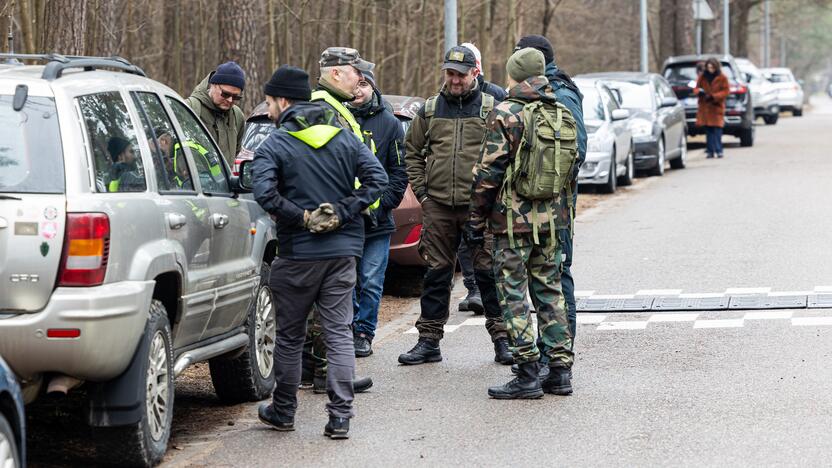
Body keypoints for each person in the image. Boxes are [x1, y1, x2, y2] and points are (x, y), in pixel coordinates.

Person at [252, 65, 388, 439]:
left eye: (268, 102)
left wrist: (303, 218)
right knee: (340, 333)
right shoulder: (346, 140)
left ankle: (284, 412)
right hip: (344, 253)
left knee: (291, 337)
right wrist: (342, 212)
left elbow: (263, 192)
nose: (269, 109)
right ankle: (340, 417)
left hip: (296, 255)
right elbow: (378, 180)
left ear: (283, 101)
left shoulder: (276, 144)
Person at [466, 47, 575, 399]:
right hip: (552, 222)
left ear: (515, 74)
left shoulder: (506, 114)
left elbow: (488, 173)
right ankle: (559, 371)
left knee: (512, 295)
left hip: (512, 223)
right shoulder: (560, 113)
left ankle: (527, 372)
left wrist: (475, 218)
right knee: (550, 293)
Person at [400, 45, 511, 366]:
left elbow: (507, 155)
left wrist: (493, 198)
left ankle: (502, 340)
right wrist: (423, 194)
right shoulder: (431, 109)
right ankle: (429, 341)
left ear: (475, 73)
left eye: (460, 74)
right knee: (436, 274)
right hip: (438, 207)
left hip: (482, 208)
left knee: (488, 273)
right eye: (450, 73)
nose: (455, 80)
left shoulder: (493, 107)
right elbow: (413, 153)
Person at [513, 35, 586, 377]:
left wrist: (545, 187)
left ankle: (558, 361)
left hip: (555, 206)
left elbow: (577, 151)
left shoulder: (561, 94)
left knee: (555, 277)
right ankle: (550, 358)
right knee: (545, 277)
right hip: (534, 208)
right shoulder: (540, 92)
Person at [348, 70, 408, 357]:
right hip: (346, 220)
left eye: (364, 84)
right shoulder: (337, 120)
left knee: (371, 280)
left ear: (372, 87)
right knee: (346, 281)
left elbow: (399, 172)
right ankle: (344, 330)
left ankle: (364, 332)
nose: (358, 91)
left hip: (378, 222)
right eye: (355, 84)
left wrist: (382, 204)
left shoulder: (390, 124)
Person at [455, 42, 508, 314]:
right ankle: (473, 288)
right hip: (461, 190)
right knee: (466, 242)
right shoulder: (450, 98)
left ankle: (491, 290)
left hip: (489, 187)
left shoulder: (496, 96)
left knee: (487, 242)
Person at [186, 61, 246, 166]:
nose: (230, 100)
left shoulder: (237, 116)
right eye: (225, 94)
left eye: (236, 97)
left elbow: (236, 151)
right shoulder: (191, 107)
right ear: (213, 85)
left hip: (224, 181)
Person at [694, 58, 729, 159]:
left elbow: (726, 91)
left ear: (716, 67)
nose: (710, 69)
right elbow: (695, 87)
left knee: (717, 130)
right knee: (708, 130)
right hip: (705, 107)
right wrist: (699, 92)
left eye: (712, 67)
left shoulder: (722, 78)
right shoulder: (702, 77)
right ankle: (710, 151)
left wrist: (714, 96)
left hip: (716, 106)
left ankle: (719, 150)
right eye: (709, 67)